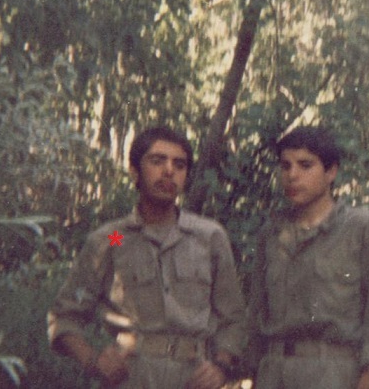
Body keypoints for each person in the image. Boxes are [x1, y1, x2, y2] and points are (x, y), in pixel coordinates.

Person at [48, 126, 246, 388]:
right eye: (157, 161)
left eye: (179, 165)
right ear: (134, 171)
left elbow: (233, 318)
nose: (169, 171)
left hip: (193, 377)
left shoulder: (208, 237)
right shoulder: (113, 239)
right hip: (131, 375)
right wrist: (93, 360)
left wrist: (221, 366)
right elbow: (64, 316)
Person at [248, 126, 369, 389]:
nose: (292, 175)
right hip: (274, 372)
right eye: (286, 166)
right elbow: (257, 312)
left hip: (333, 373)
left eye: (305, 165)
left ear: (331, 171)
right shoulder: (272, 234)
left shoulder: (360, 228)